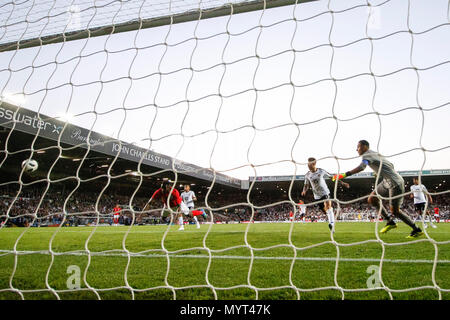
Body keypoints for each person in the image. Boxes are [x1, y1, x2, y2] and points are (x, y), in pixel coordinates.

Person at [332, 140, 423, 239]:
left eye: (358, 147)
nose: (356, 149)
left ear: (364, 147)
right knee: (372, 199)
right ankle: (389, 222)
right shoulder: (376, 154)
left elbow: (362, 167)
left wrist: (344, 175)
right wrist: (379, 172)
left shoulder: (366, 155)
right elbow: (391, 165)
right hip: (386, 181)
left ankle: (416, 229)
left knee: (395, 211)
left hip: (395, 183)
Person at [301, 157, 349, 233]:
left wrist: (343, 183)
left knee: (328, 206)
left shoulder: (321, 171)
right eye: (307, 164)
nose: (308, 165)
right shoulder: (307, 175)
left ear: (314, 164)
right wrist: (304, 191)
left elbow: (333, 177)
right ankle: (331, 218)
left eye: (309, 164)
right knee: (325, 211)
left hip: (325, 193)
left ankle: (332, 225)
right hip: (317, 196)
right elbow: (306, 185)